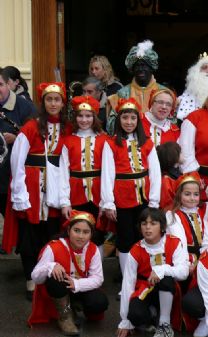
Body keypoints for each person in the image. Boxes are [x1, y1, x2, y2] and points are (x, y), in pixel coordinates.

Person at [4, 82, 70, 300]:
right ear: (43, 102)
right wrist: (19, 194)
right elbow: (17, 161)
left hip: (54, 187)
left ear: (62, 102)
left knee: (51, 234)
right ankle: (31, 280)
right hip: (31, 188)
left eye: (57, 99)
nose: (53, 103)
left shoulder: (67, 128)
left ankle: (49, 277)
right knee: (29, 237)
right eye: (49, 99)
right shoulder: (31, 126)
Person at [100, 98, 161, 275]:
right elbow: (107, 174)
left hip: (144, 198)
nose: (129, 122)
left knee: (144, 236)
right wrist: (109, 202)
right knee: (126, 239)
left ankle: (144, 274)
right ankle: (128, 278)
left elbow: (155, 173)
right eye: (125, 118)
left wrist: (154, 200)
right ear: (119, 120)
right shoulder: (111, 144)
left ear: (138, 120)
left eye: (133, 118)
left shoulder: (147, 142)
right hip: (122, 199)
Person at [28, 211, 108, 335]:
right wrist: (51, 266)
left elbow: (98, 279)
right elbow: (35, 277)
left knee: (99, 302)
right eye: (76, 230)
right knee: (55, 277)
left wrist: (76, 284)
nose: (81, 236)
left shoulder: (93, 249)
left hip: (78, 288)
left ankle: (74, 306)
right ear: (69, 230)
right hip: (58, 289)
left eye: (86, 232)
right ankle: (64, 317)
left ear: (91, 234)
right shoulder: (54, 247)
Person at [117, 207, 189, 337]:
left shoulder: (174, 242)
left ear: (162, 227)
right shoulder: (136, 249)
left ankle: (164, 323)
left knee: (166, 278)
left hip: (168, 289)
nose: (147, 228)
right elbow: (128, 283)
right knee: (135, 316)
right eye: (144, 224)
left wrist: (161, 269)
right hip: (145, 287)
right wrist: (125, 320)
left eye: (153, 223)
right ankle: (153, 312)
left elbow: (183, 272)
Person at [60, 95, 108, 250]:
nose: (84, 120)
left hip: (98, 193)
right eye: (80, 116)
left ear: (94, 117)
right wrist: (64, 201)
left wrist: (107, 199)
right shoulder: (68, 141)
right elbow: (63, 173)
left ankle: (97, 271)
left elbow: (108, 171)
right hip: (76, 192)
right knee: (77, 232)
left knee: (97, 233)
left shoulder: (104, 140)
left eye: (88, 116)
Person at [0, 68, 36, 229]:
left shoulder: (26, 107)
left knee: (19, 223)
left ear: (9, 84)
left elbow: (37, 138)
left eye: (0, 84)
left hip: (13, 176)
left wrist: (18, 138)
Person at [107, 40, 165, 134]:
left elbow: (172, 123)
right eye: (137, 66)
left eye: (144, 65)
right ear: (132, 69)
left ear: (151, 68)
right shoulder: (122, 93)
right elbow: (111, 126)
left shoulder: (164, 92)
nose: (140, 69)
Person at [165, 172, 205, 278]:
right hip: (184, 258)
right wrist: (187, 264)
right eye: (187, 194)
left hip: (205, 257)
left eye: (196, 194)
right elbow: (179, 242)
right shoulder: (173, 215)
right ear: (179, 195)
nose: (192, 198)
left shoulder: (204, 210)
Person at [157, 141, 183, 210]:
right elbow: (166, 204)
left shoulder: (178, 173)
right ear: (174, 156)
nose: (183, 154)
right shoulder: (167, 179)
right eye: (181, 153)